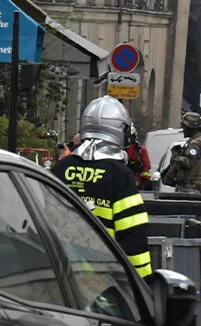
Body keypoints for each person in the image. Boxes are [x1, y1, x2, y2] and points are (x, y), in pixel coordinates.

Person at [51, 96, 153, 282]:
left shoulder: (60, 168)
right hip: (103, 283)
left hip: (57, 278)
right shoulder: (120, 175)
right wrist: (143, 289)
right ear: (121, 131)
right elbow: (132, 236)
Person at [161, 112, 201, 193]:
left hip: (188, 188)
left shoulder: (196, 143)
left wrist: (176, 155)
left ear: (192, 128)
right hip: (190, 186)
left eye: (185, 127)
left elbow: (187, 163)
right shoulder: (200, 141)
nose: (183, 130)